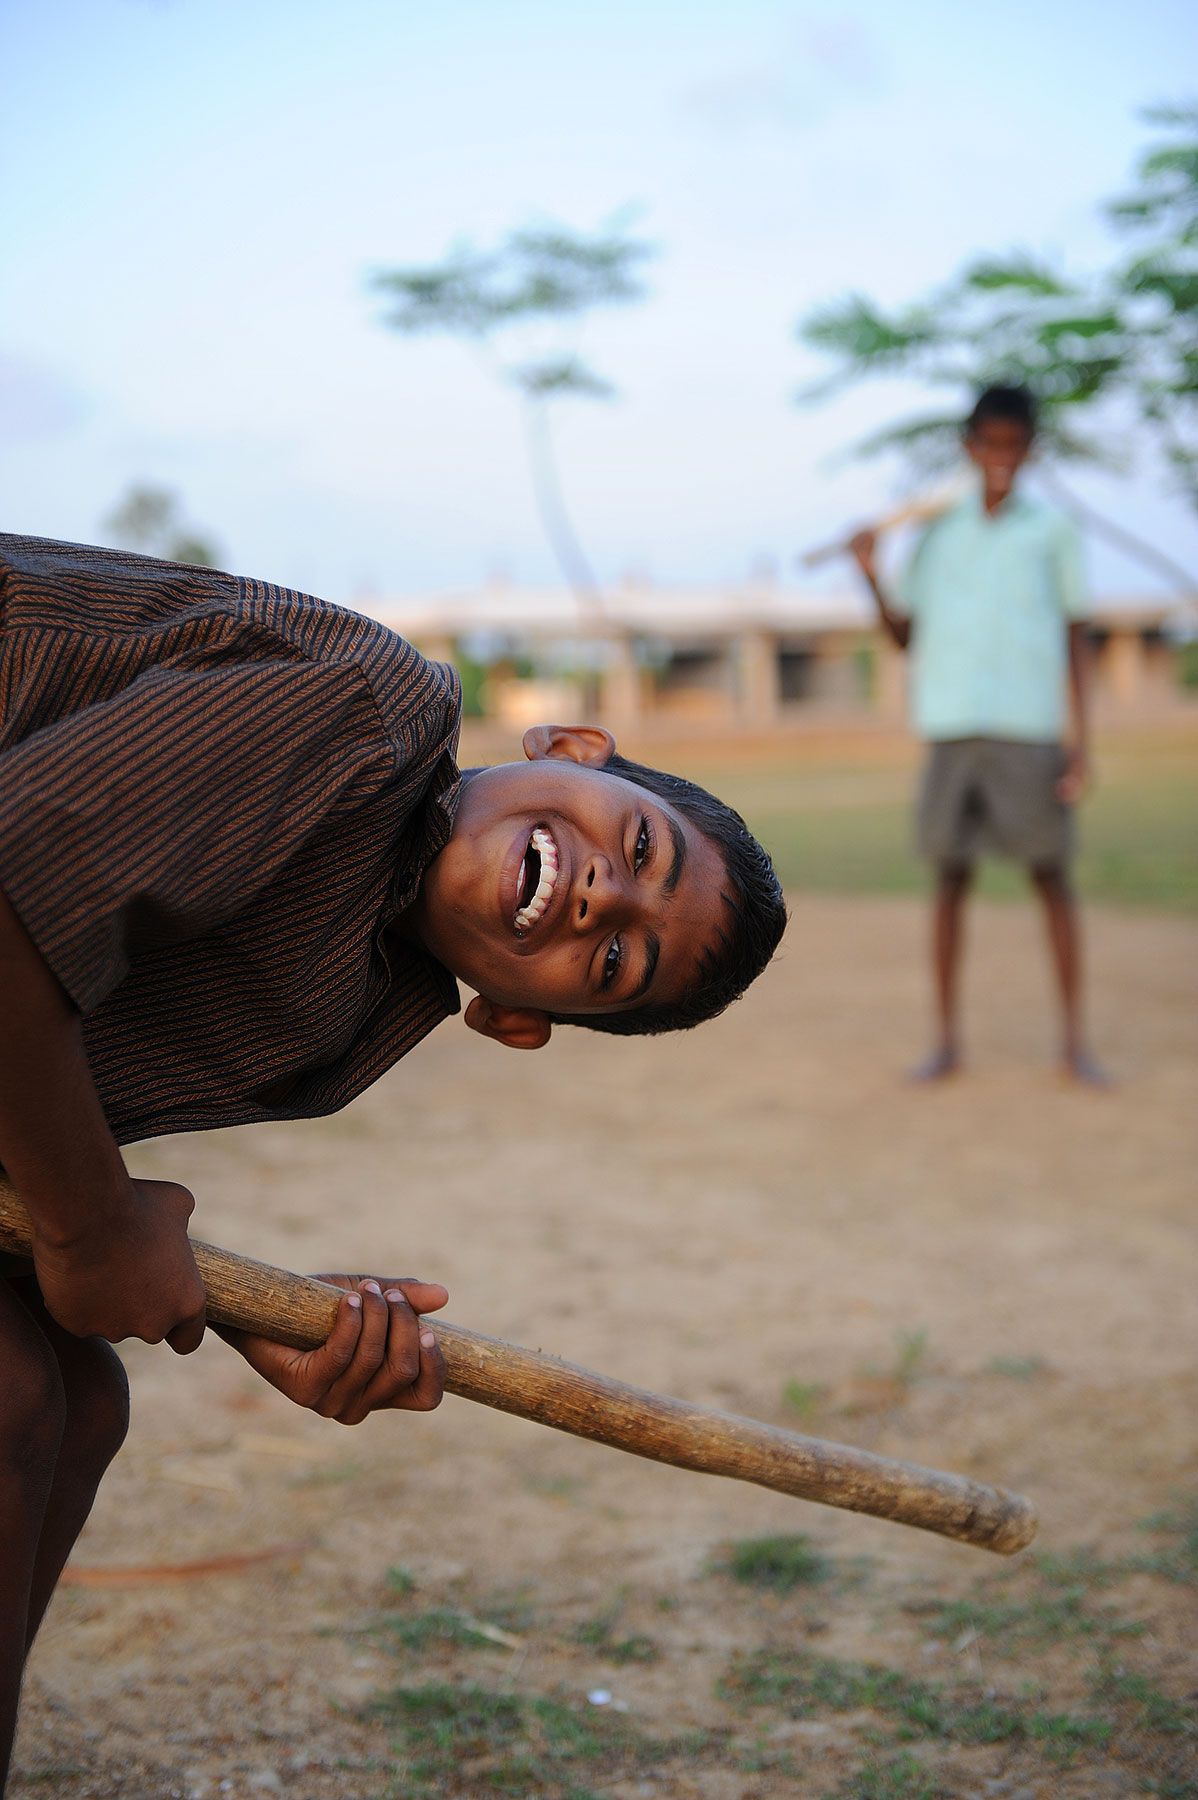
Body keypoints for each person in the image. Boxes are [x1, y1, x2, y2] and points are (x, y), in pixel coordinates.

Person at [0, 531, 786, 1790]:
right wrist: (94, 1236)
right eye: (637, 848)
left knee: (76, 1400)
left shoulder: (347, 1016)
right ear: (571, 751)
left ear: (518, 1019)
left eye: (616, 961)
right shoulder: (366, 710)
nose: (601, 899)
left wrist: (233, 1308)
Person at [848, 384, 1105, 1086]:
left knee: (1050, 877)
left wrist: (1082, 742)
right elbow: (905, 637)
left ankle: (1074, 1043)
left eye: (1012, 446)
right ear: (970, 449)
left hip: (1028, 729)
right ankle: (946, 1041)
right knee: (949, 880)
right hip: (952, 728)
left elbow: (1075, 636)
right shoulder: (936, 532)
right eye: (988, 445)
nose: (1000, 458)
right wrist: (870, 573)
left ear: (1028, 451)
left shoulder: (1050, 531)